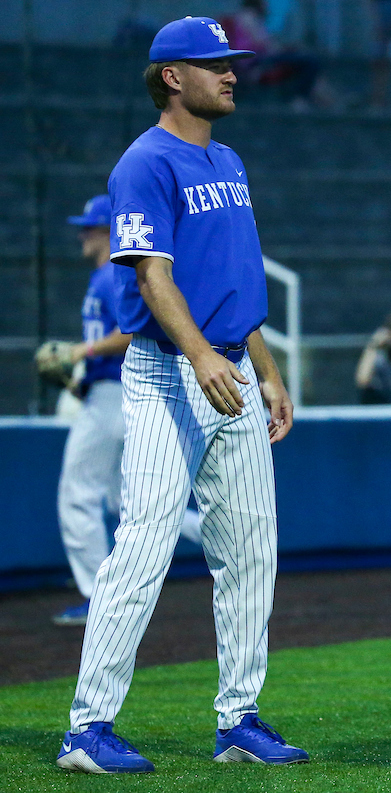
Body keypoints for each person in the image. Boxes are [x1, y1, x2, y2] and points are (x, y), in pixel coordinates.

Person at [56, 17, 306, 774]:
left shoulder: (227, 158)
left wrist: (265, 367)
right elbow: (151, 276)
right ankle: (86, 730)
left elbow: (234, 281)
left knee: (251, 552)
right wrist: (200, 355)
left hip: (228, 366)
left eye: (232, 63)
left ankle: (239, 720)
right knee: (144, 545)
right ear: (172, 76)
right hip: (171, 369)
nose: (231, 73)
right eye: (214, 64)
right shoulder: (145, 162)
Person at [52, 195, 202, 628]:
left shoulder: (109, 277)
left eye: (89, 227)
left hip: (115, 394)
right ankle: (218, 536)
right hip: (113, 390)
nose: (82, 234)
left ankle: (96, 597)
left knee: (77, 494)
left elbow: (133, 329)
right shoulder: (106, 277)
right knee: (127, 501)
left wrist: (83, 351)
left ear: (106, 231)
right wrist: (80, 378)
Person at [222, 0, 335, 111]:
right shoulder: (248, 17)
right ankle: (302, 99)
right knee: (310, 61)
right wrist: (283, 49)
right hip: (258, 62)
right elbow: (264, 44)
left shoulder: (246, 17)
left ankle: (326, 101)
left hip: (261, 59)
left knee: (306, 62)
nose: (267, 5)